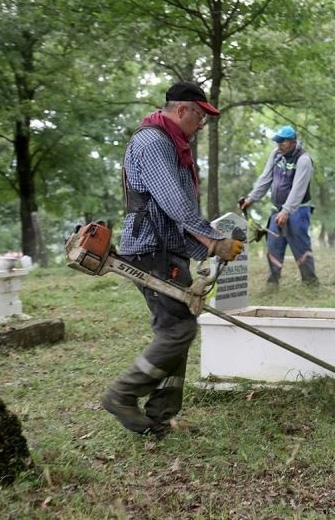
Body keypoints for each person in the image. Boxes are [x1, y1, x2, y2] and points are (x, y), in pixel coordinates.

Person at [101, 81, 244, 435]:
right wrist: (214, 243)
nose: (202, 125)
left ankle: (158, 417)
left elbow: (176, 210)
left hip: (166, 250)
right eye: (200, 117)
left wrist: (206, 247)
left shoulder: (170, 143)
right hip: (151, 250)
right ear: (182, 110)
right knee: (179, 329)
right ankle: (122, 394)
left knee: (177, 326)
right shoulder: (153, 142)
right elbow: (174, 203)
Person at [238, 125, 319, 289]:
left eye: (283, 142)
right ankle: (272, 284)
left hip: (298, 210)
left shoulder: (303, 160)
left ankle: (310, 283)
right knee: (273, 245)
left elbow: (298, 189)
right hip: (277, 209)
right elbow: (265, 178)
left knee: (300, 245)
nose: (279, 145)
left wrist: (286, 211)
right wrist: (252, 198)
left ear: (293, 142)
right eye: (277, 141)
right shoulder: (276, 155)